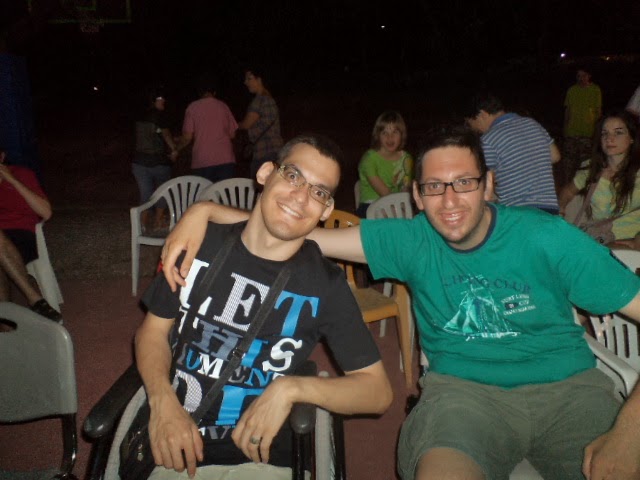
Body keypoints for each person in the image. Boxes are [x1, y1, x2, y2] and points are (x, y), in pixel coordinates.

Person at [160, 126, 640, 480]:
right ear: (417, 195)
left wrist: (630, 434)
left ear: (489, 184)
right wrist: (205, 211)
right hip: (464, 397)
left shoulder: (548, 238)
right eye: (434, 187)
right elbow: (293, 229)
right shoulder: (410, 241)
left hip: (570, 393)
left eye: (464, 183)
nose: (449, 201)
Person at [136, 134, 392, 479]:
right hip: (172, 441)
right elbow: (153, 330)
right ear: (265, 173)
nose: (301, 197)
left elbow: (377, 392)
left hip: (257, 455)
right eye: (293, 175)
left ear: (326, 210)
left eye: (319, 192)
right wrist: (162, 401)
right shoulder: (198, 243)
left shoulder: (325, 285)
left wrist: (292, 388)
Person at [464, 92, 561, 214]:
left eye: (472, 123)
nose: (476, 130)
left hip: (518, 212)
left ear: (482, 114)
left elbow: (487, 183)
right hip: (549, 208)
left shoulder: (489, 139)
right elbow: (555, 156)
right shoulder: (532, 124)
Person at [559, 109, 640, 247]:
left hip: (629, 241)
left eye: (618, 132)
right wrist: (560, 210)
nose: (609, 138)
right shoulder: (591, 168)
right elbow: (568, 191)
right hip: (597, 239)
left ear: (632, 138)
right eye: (604, 133)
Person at [0, 148, 62, 322]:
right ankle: (32, 302)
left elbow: (46, 212)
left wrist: (11, 180)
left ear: (2, 157)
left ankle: (9, 321)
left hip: (21, 236)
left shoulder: (22, 174)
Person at [175, 73, 238, 183]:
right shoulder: (223, 106)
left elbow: (187, 137)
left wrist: (176, 149)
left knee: (204, 192)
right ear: (214, 92)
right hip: (225, 159)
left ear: (199, 92)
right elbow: (232, 134)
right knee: (223, 192)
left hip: (202, 160)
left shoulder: (192, 108)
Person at [133, 88, 178, 232]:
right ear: (153, 101)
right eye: (159, 98)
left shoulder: (140, 115)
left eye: (163, 97)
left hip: (139, 162)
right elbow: (166, 135)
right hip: (158, 162)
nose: (163, 100)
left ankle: (142, 225)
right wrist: (174, 149)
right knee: (162, 191)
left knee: (146, 194)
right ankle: (158, 222)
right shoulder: (159, 115)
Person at [356, 111, 414, 218]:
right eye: (384, 133)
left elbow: (405, 190)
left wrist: (404, 209)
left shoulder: (406, 159)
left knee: (412, 216)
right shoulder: (369, 159)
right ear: (378, 136)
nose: (389, 137)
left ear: (402, 134)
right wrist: (401, 211)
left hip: (395, 205)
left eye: (395, 132)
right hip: (370, 205)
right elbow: (385, 193)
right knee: (396, 215)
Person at [238, 67, 283, 179]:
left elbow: (246, 125)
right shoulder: (270, 99)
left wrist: (233, 124)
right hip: (277, 151)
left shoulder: (259, 101)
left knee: (258, 185)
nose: (245, 82)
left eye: (249, 78)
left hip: (263, 153)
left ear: (259, 80)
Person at [562, 67, 602, 184]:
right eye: (579, 76)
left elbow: (598, 111)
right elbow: (568, 110)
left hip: (588, 132)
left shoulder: (595, 90)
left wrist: (598, 130)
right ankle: (567, 185)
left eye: (584, 75)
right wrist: (565, 127)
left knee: (585, 163)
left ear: (589, 76)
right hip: (572, 132)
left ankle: (582, 186)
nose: (581, 78)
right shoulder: (572, 90)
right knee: (569, 162)